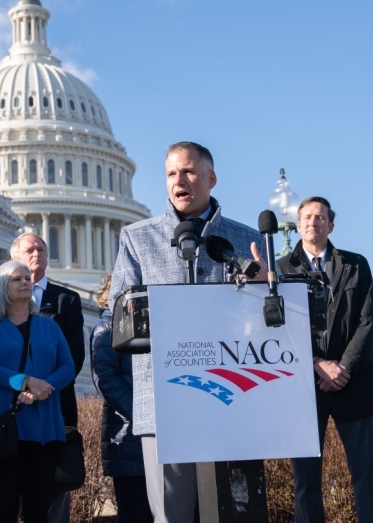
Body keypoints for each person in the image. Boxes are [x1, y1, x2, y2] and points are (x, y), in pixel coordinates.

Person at [108, 141, 266, 522]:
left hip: (232, 396)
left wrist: (266, 288)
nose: (179, 181)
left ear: (211, 178)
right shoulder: (137, 238)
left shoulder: (246, 241)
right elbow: (119, 312)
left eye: (189, 172)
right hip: (165, 401)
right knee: (171, 516)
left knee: (231, 510)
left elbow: (269, 326)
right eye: (171, 174)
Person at [276, 196, 373, 523]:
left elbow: (369, 322)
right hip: (303, 386)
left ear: (331, 225)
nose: (313, 222)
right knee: (306, 481)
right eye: (307, 217)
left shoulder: (356, 264)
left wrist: (343, 367)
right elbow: (277, 329)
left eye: (320, 217)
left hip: (354, 381)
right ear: (298, 225)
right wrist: (315, 363)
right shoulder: (279, 270)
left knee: (366, 477)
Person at [0, 260, 75, 523]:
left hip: (45, 426)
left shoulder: (48, 325)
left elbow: (67, 366)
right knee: (3, 509)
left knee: (38, 509)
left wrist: (42, 389)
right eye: (17, 279)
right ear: (1, 287)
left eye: (27, 278)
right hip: (6, 426)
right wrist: (25, 381)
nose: (26, 282)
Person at [10, 233, 85, 523]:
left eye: (41, 248)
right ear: (14, 257)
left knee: (55, 495)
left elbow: (74, 358)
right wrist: (21, 386)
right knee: (7, 497)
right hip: (13, 409)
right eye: (29, 249)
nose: (37, 253)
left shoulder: (67, 300)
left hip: (55, 409)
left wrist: (42, 390)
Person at [90, 272, 153, 523]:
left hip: (145, 432)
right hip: (127, 433)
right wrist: (144, 414)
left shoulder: (148, 324)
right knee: (135, 511)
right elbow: (106, 380)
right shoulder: (107, 327)